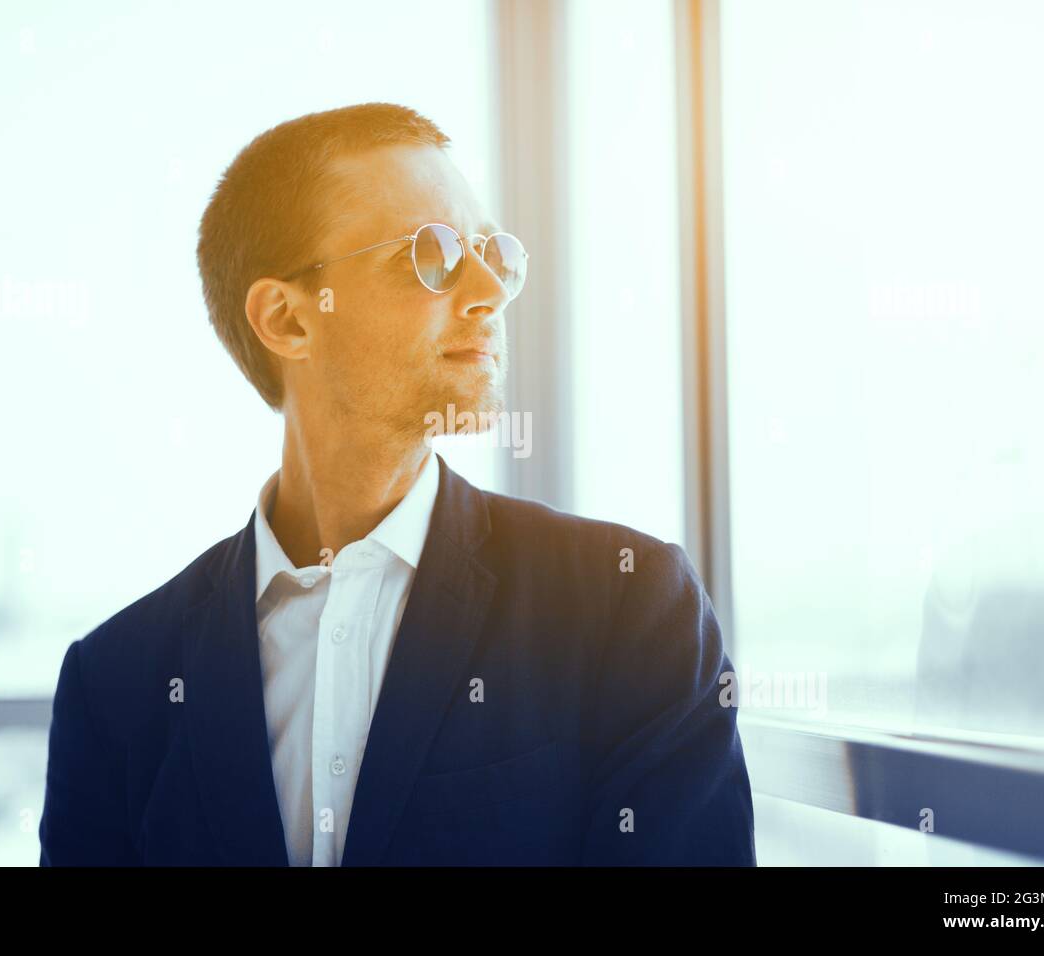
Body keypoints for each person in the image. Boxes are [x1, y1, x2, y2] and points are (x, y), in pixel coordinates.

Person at [38, 102, 756, 866]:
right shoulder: (116, 683)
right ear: (286, 319)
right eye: (433, 254)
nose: (490, 290)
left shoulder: (629, 610)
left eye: (493, 253)